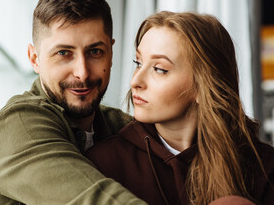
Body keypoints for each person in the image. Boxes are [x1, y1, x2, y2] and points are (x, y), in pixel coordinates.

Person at [0, 0, 146, 204]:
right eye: (64, 53)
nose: (82, 73)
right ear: (34, 58)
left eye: (95, 51)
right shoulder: (18, 124)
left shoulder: (119, 125)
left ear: (111, 53)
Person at [86, 11, 274, 205]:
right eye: (138, 63)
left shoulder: (262, 166)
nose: (135, 81)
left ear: (204, 87)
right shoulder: (104, 163)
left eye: (159, 69)